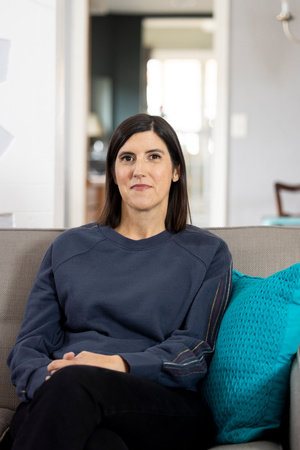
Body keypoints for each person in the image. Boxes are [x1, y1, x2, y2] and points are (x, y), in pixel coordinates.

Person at [3, 113, 232, 450]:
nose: (139, 169)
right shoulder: (68, 248)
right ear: (114, 172)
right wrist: (44, 378)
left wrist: (116, 364)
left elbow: (194, 351)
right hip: (66, 392)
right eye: (127, 158)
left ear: (176, 171)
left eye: (154, 157)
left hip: (163, 404)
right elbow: (31, 343)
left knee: (71, 390)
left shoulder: (208, 252)